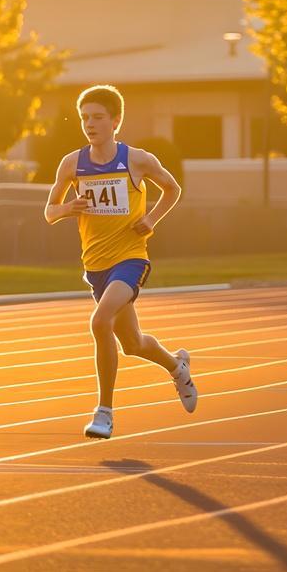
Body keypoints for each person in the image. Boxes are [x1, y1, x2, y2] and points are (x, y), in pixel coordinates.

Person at [44, 84, 197, 439]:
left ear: (116, 120)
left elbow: (172, 189)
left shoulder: (137, 159)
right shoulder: (72, 163)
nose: (90, 124)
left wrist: (151, 220)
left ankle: (105, 412)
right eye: (85, 118)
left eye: (97, 117)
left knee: (100, 322)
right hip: (95, 266)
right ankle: (178, 367)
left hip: (130, 260)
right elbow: (49, 211)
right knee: (133, 344)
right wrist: (69, 208)